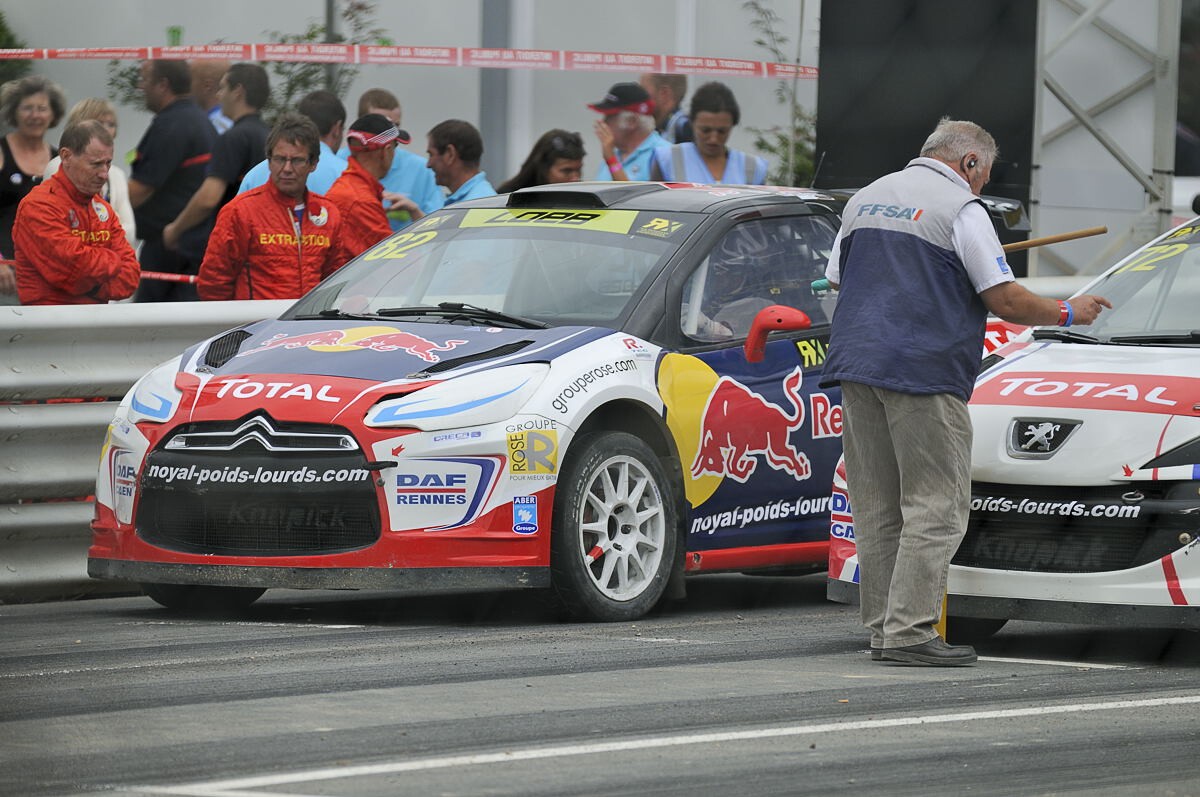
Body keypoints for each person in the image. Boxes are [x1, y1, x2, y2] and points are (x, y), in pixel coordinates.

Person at [820, 118, 1113, 667]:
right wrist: (1068, 311)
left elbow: (837, 278)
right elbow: (1006, 300)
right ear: (969, 162)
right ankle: (910, 632)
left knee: (878, 505)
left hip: (857, 366)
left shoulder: (866, 198)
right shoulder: (961, 208)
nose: (982, 184)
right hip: (923, 371)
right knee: (936, 504)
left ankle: (884, 629)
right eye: (984, 174)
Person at [198, 113, 352, 301]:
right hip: (257, 319)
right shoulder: (240, 211)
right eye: (279, 159)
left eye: (296, 160)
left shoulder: (329, 214)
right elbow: (213, 284)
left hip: (307, 319)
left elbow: (333, 282)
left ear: (313, 164)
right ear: (269, 161)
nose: (287, 169)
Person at [12, 120, 139, 305]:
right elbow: (71, 270)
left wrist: (91, 280)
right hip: (50, 319)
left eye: (108, 163)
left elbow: (130, 277)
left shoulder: (103, 208)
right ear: (66, 156)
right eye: (95, 164)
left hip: (96, 319)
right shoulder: (38, 205)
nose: (104, 174)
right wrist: (113, 262)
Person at [128, 59, 217, 302]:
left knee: (149, 318)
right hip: (192, 243)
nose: (141, 87)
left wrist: (102, 211)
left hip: (168, 246)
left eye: (145, 80)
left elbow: (142, 188)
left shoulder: (171, 125)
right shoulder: (199, 120)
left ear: (163, 85)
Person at [162, 63, 270, 252]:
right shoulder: (270, 136)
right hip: (263, 238)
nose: (219, 95)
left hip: (233, 242)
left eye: (222, 88)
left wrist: (175, 229)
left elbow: (208, 198)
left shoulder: (232, 138)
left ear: (238, 92)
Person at [337, 88, 443, 230]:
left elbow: (440, 228)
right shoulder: (337, 164)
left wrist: (415, 212)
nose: (390, 133)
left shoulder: (422, 169)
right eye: (380, 123)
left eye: (396, 126)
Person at [0, 75, 66, 303]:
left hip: (51, 277)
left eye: (42, 108)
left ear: (53, 114)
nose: (35, 115)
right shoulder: (2, 152)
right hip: (6, 277)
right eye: (27, 108)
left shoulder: (61, 160)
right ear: (14, 113)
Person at [44, 98, 137, 248]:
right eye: (99, 123)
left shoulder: (117, 174)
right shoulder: (59, 166)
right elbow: (65, 228)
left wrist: (100, 234)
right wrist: (111, 229)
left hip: (113, 258)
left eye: (111, 124)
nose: (106, 130)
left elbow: (130, 232)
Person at [649, 82, 768, 185]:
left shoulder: (752, 167)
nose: (713, 139)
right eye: (705, 130)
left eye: (722, 131)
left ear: (732, 126)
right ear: (692, 123)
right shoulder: (668, 160)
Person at [238, 90, 348, 195]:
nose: (288, 168)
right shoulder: (345, 174)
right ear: (337, 129)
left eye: (298, 160)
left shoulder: (254, 175)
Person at [325, 113, 403, 257]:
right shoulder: (360, 200)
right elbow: (393, 257)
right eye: (395, 146)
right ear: (386, 151)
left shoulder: (350, 187)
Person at [587, 82, 666, 182]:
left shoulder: (663, 154)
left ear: (632, 122)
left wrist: (611, 161)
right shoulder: (612, 154)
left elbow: (629, 191)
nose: (604, 122)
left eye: (610, 117)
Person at [425, 119, 496, 204]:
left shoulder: (474, 204)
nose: (428, 164)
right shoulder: (481, 200)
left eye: (431, 154)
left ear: (450, 154)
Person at [496, 129, 585, 193]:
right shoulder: (508, 199)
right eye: (567, 171)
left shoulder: (582, 198)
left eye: (578, 170)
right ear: (543, 168)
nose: (575, 178)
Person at [640, 73, 692, 144]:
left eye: (643, 92)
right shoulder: (659, 128)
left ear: (664, 93)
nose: (639, 99)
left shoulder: (683, 128)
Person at [190, 59, 233, 134]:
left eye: (190, 81)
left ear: (207, 86)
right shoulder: (232, 120)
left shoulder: (215, 126)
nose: (187, 86)